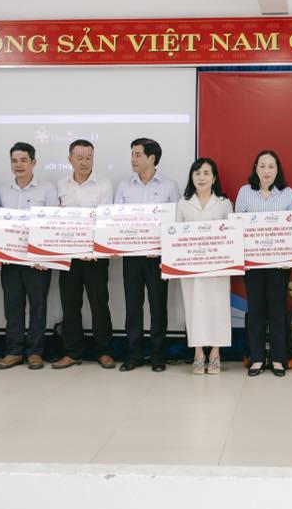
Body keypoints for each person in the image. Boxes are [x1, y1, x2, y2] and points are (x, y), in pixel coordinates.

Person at [115, 137, 180, 372]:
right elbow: (116, 221)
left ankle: (158, 356)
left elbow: (176, 222)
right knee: (133, 306)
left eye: (138, 154)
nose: (133, 159)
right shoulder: (124, 186)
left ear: (152, 158)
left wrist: (164, 248)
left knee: (158, 306)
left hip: (158, 258)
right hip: (131, 257)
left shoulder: (169, 186)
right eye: (132, 154)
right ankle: (133, 355)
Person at [0, 142, 59, 371]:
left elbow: (53, 223)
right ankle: (13, 351)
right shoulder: (3, 190)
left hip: (38, 262)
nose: (19, 165)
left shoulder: (47, 189)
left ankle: (35, 352)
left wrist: (47, 258)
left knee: (38, 307)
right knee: (12, 306)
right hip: (10, 259)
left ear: (33, 162)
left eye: (23, 160)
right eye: (14, 160)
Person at [235, 150, 292, 376]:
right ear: (256, 168)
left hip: (279, 264)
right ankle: (257, 358)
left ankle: (279, 358)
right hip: (252, 263)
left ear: (277, 169)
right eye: (262, 166)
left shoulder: (287, 194)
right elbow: (237, 227)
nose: (267, 171)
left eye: (271, 166)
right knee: (256, 310)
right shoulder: (245, 192)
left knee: (277, 310)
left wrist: (289, 257)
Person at [56, 139, 116, 369]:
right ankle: (72, 352)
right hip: (68, 256)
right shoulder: (60, 185)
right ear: (70, 159)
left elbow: (106, 219)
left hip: (95, 256)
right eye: (79, 158)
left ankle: (104, 351)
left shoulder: (104, 184)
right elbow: (54, 220)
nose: (84, 162)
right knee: (70, 304)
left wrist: (94, 248)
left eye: (89, 158)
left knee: (99, 303)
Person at [176, 158, 234, 374]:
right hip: (191, 269)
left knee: (218, 308)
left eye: (206, 173)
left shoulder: (224, 203)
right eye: (197, 173)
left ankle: (215, 353)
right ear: (191, 177)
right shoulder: (183, 203)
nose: (201, 177)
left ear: (214, 178)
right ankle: (198, 353)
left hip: (218, 269)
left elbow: (231, 236)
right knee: (194, 308)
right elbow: (176, 236)